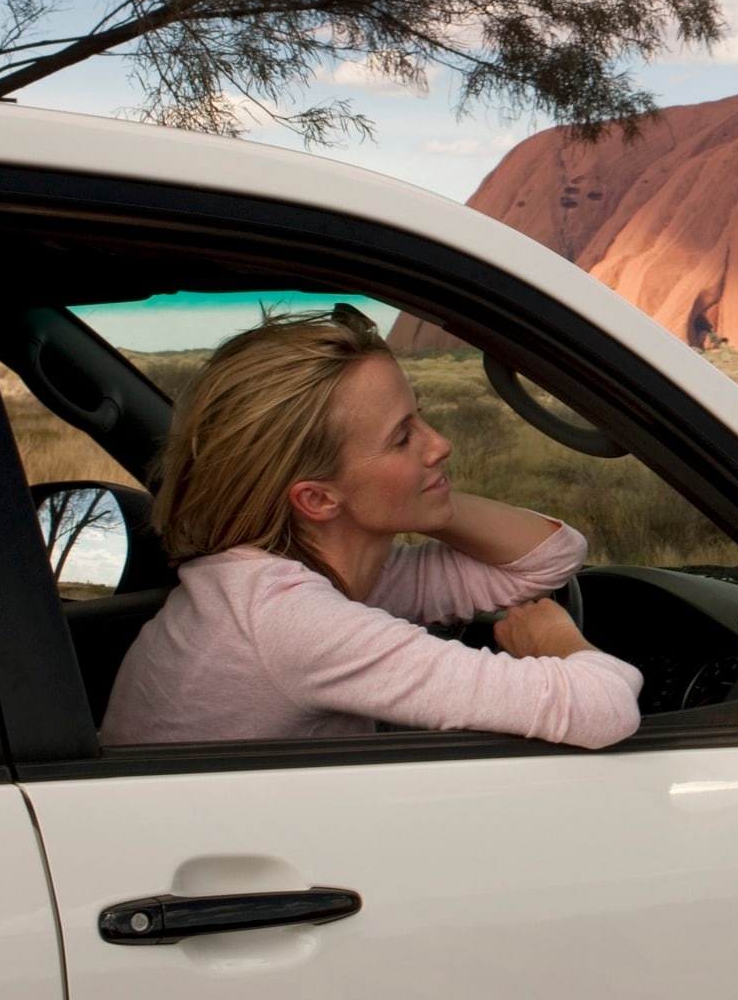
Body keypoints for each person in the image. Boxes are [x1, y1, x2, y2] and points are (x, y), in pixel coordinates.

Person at [102, 306, 641, 750]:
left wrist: (423, 496)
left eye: (421, 417)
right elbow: (602, 709)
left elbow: (550, 556)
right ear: (317, 498)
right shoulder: (287, 621)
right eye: (403, 437)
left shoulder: (305, 574)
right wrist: (554, 640)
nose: (440, 444)